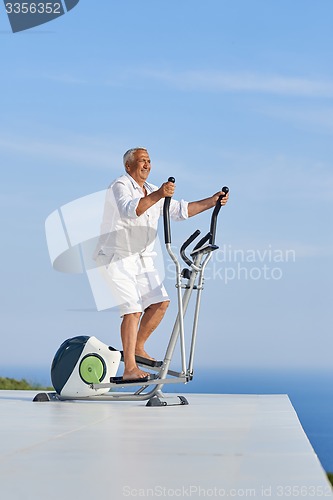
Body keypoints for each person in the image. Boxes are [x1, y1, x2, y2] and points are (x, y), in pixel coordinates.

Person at [95, 147, 229, 382]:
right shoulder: (120, 185)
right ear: (129, 166)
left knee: (160, 303)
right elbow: (132, 210)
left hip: (142, 260)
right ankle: (129, 369)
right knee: (133, 310)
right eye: (141, 161)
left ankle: (136, 348)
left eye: (148, 161)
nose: (146, 164)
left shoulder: (152, 190)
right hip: (117, 257)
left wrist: (212, 201)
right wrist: (158, 195)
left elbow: (180, 210)